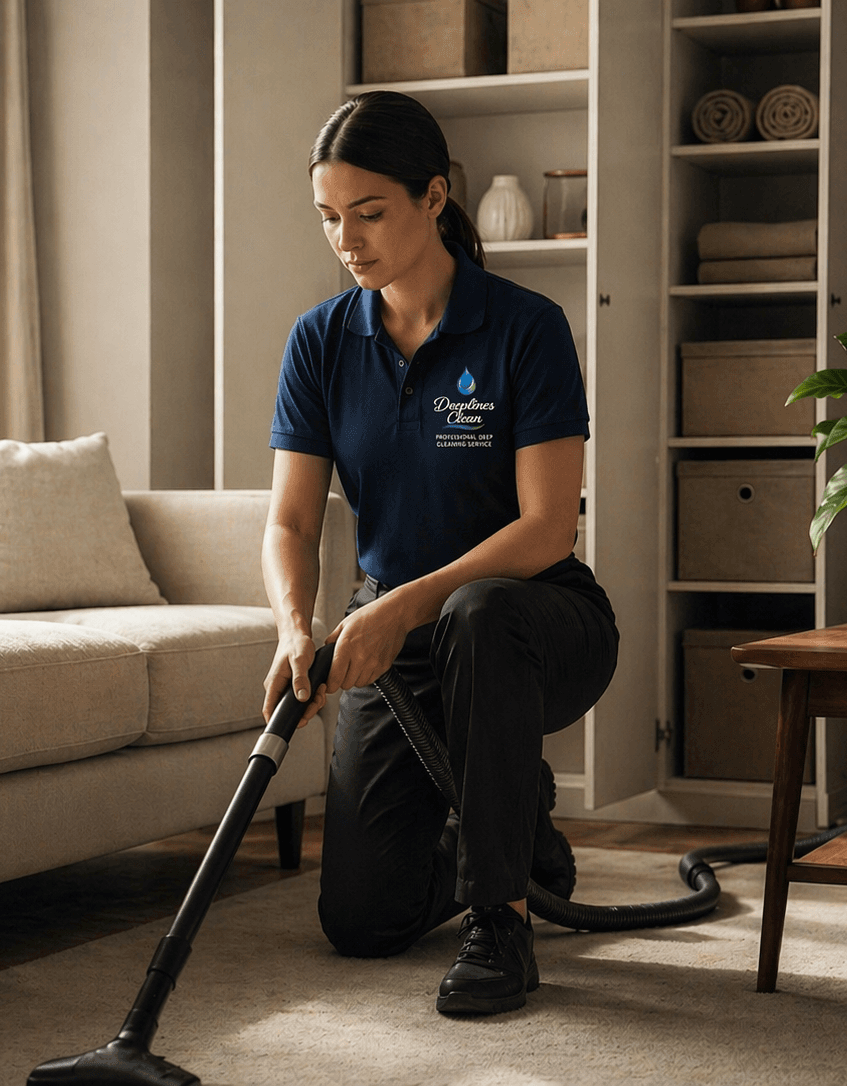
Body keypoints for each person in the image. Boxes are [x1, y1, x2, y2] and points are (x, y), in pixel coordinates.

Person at [261, 90, 619, 1016]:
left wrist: (394, 608)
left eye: (369, 213)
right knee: (362, 924)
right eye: (330, 218)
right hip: (399, 631)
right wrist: (298, 629)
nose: (348, 240)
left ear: (434, 195)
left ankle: (500, 922)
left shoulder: (525, 327)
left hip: (536, 620)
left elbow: (547, 530)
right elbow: (292, 525)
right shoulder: (320, 342)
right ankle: (510, 814)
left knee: (479, 611)